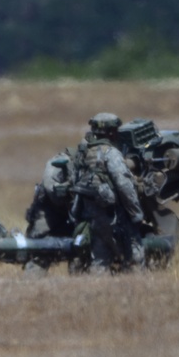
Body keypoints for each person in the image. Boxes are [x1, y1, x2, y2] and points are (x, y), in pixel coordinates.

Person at [71, 113, 145, 272]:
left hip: (91, 217)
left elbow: (75, 181)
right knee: (135, 255)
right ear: (111, 132)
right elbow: (124, 185)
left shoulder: (83, 153)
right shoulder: (111, 153)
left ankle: (97, 291)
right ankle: (137, 288)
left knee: (100, 258)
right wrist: (136, 213)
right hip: (114, 216)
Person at [23, 150, 77, 272]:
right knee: (38, 250)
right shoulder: (60, 162)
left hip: (74, 214)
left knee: (81, 250)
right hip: (48, 211)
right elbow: (51, 190)